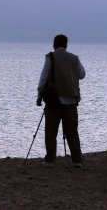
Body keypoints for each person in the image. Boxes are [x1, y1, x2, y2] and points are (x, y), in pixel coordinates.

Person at [37, 34, 86, 168]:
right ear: (66, 45)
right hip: (71, 101)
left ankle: (50, 161)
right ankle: (77, 161)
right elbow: (82, 75)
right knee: (72, 132)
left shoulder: (51, 58)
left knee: (51, 131)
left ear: (54, 45)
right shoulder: (74, 59)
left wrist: (39, 95)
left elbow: (43, 79)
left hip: (54, 101)